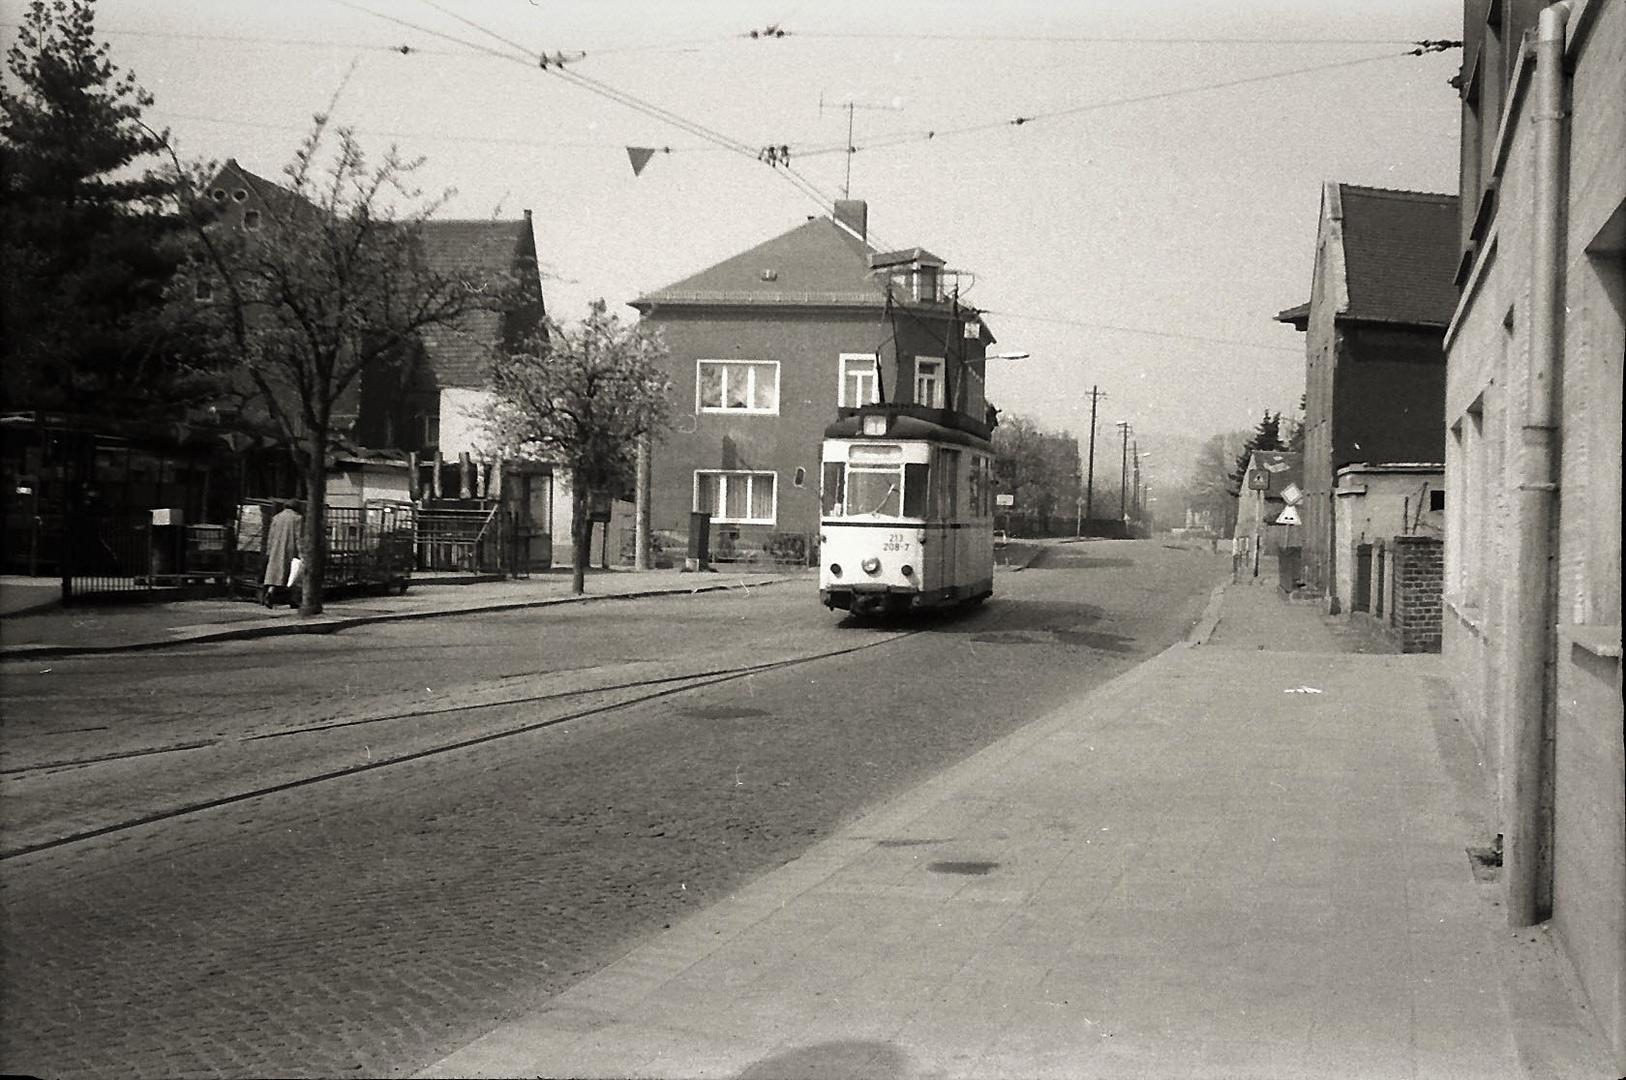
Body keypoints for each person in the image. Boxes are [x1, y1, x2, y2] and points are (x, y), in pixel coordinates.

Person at [262, 499, 304, 609]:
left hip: (276, 548)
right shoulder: (298, 518)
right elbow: (299, 537)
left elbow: (270, 535)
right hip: (290, 549)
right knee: (293, 575)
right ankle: (292, 599)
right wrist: (301, 553)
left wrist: (269, 549)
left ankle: (270, 592)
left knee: (275, 573)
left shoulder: (276, 517)